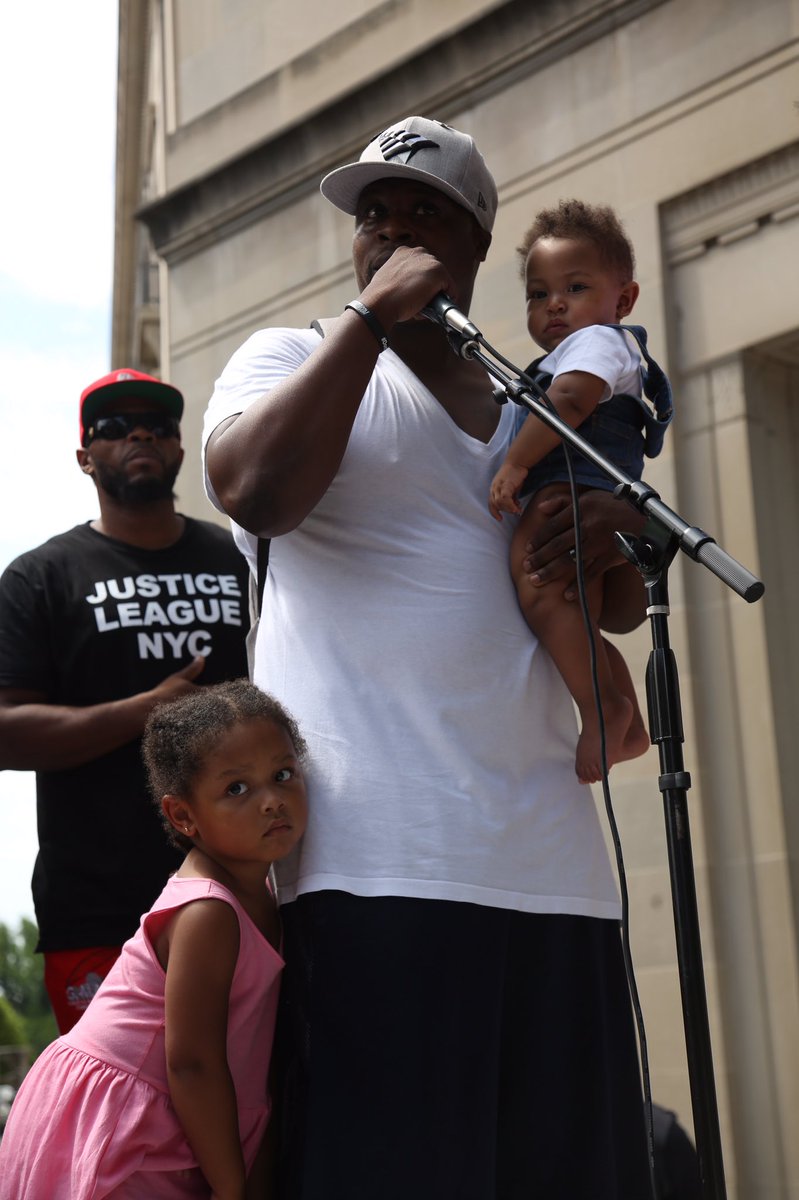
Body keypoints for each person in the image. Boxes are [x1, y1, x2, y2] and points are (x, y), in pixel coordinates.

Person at [203, 117, 652, 1198]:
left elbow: (625, 604)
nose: (391, 230)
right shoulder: (293, 355)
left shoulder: (525, 406)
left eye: (421, 213)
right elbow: (253, 490)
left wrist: (610, 541)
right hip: (379, 861)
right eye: (374, 214)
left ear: (474, 245)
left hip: (552, 866)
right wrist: (369, 322)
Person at [0, 368, 250, 1033]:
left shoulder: (241, 561)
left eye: (158, 424)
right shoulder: (40, 578)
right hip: (98, 904)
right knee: (116, 1115)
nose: (140, 432)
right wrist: (147, 710)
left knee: (247, 1101)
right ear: (85, 456)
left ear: (177, 448)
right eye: (113, 427)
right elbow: (7, 732)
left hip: (243, 890)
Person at [0, 679, 308, 1200]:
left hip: (171, 1117)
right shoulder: (208, 911)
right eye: (237, 788)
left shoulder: (263, 890)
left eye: (282, 774)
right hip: (125, 1125)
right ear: (183, 816)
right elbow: (191, 1062)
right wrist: (232, 1188)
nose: (271, 801)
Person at [489, 199, 672, 783]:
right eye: (537, 294)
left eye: (574, 287)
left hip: (569, 489)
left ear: (623, 300)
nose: (554, 305)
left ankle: (601, 709)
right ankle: (623, 715)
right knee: (574, 619)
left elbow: (568, 405)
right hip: (583, 489)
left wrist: (516, 462)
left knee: (540, 587)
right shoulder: (590, 349)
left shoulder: (596, 346)